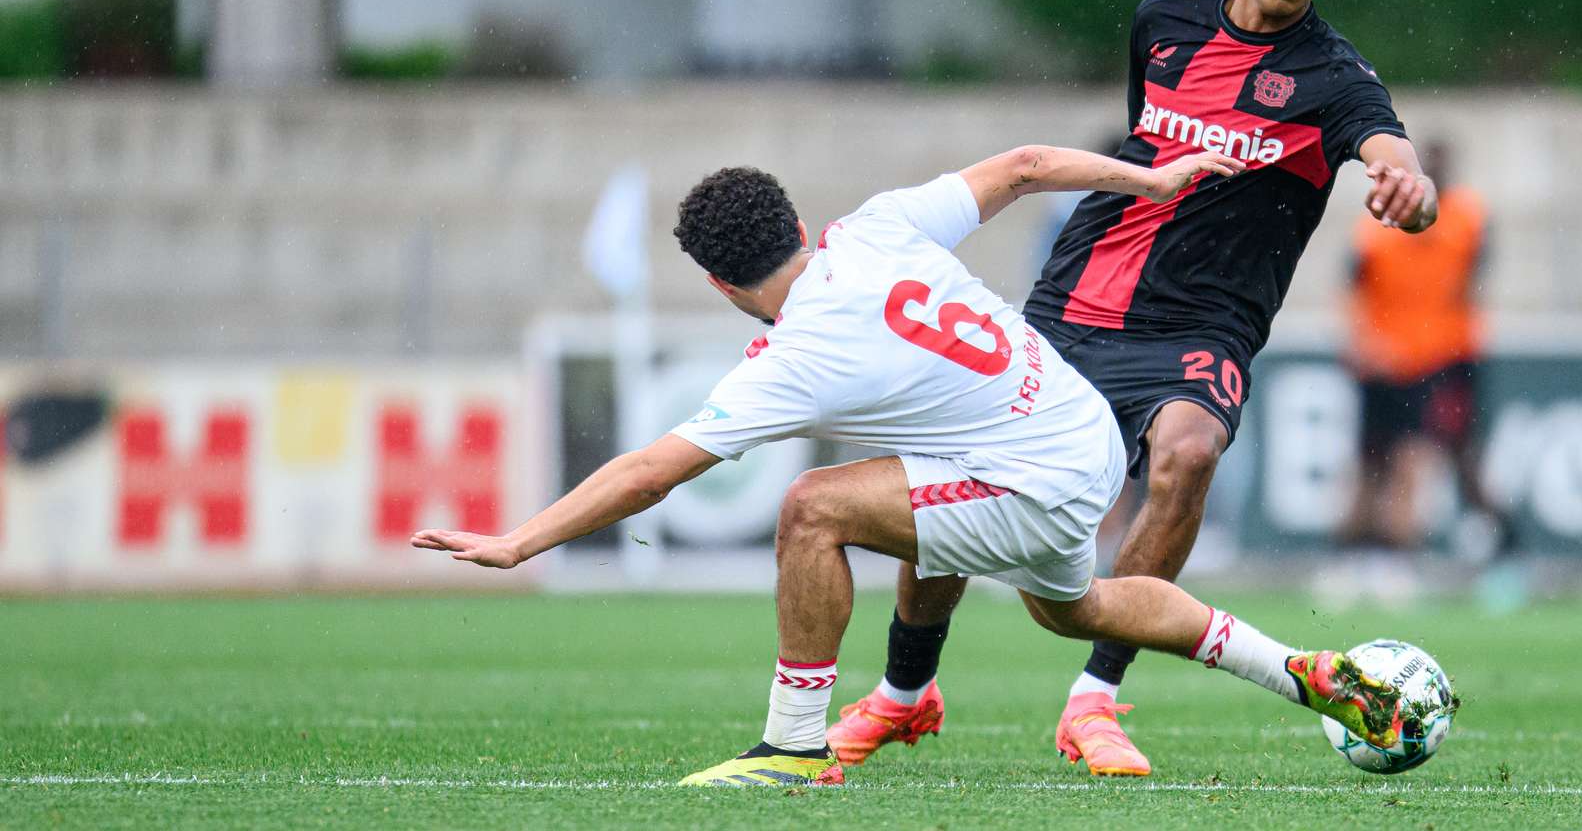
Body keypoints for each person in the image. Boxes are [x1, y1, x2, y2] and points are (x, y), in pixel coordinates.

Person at [412, 144, 1418, 787]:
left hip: (1027, 470)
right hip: (1073, 427)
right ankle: (1307, 671)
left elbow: (648, 472)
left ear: (722, 285)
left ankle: (793, 746)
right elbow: (1023, 166)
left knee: (813, 507)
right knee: (1074, 606)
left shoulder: (795, 355)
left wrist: (519, 541)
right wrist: (1147, 181)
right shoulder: (877, 226)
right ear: (802, 227)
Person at [831, 0, 1438, 777]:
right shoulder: (1163, 21)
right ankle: (905, 694)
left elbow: (1391, 148)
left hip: (1202, 325)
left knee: (1188, 449)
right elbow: (1137, 150)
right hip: (1073, 303)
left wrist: (1409, 188)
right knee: (956, 470)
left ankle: (1095, 701)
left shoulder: (1333, 77)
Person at [1342, 141, 1490, 553]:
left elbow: (1466, 285)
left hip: (1430, 358)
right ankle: (1360, 548)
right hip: (1385, 358)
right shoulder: (1378, 226)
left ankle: (1396, 547)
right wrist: (1361, 341)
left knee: (1414, 453)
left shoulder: (1463, 219)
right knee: (1374, 458)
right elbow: (1353, 287)